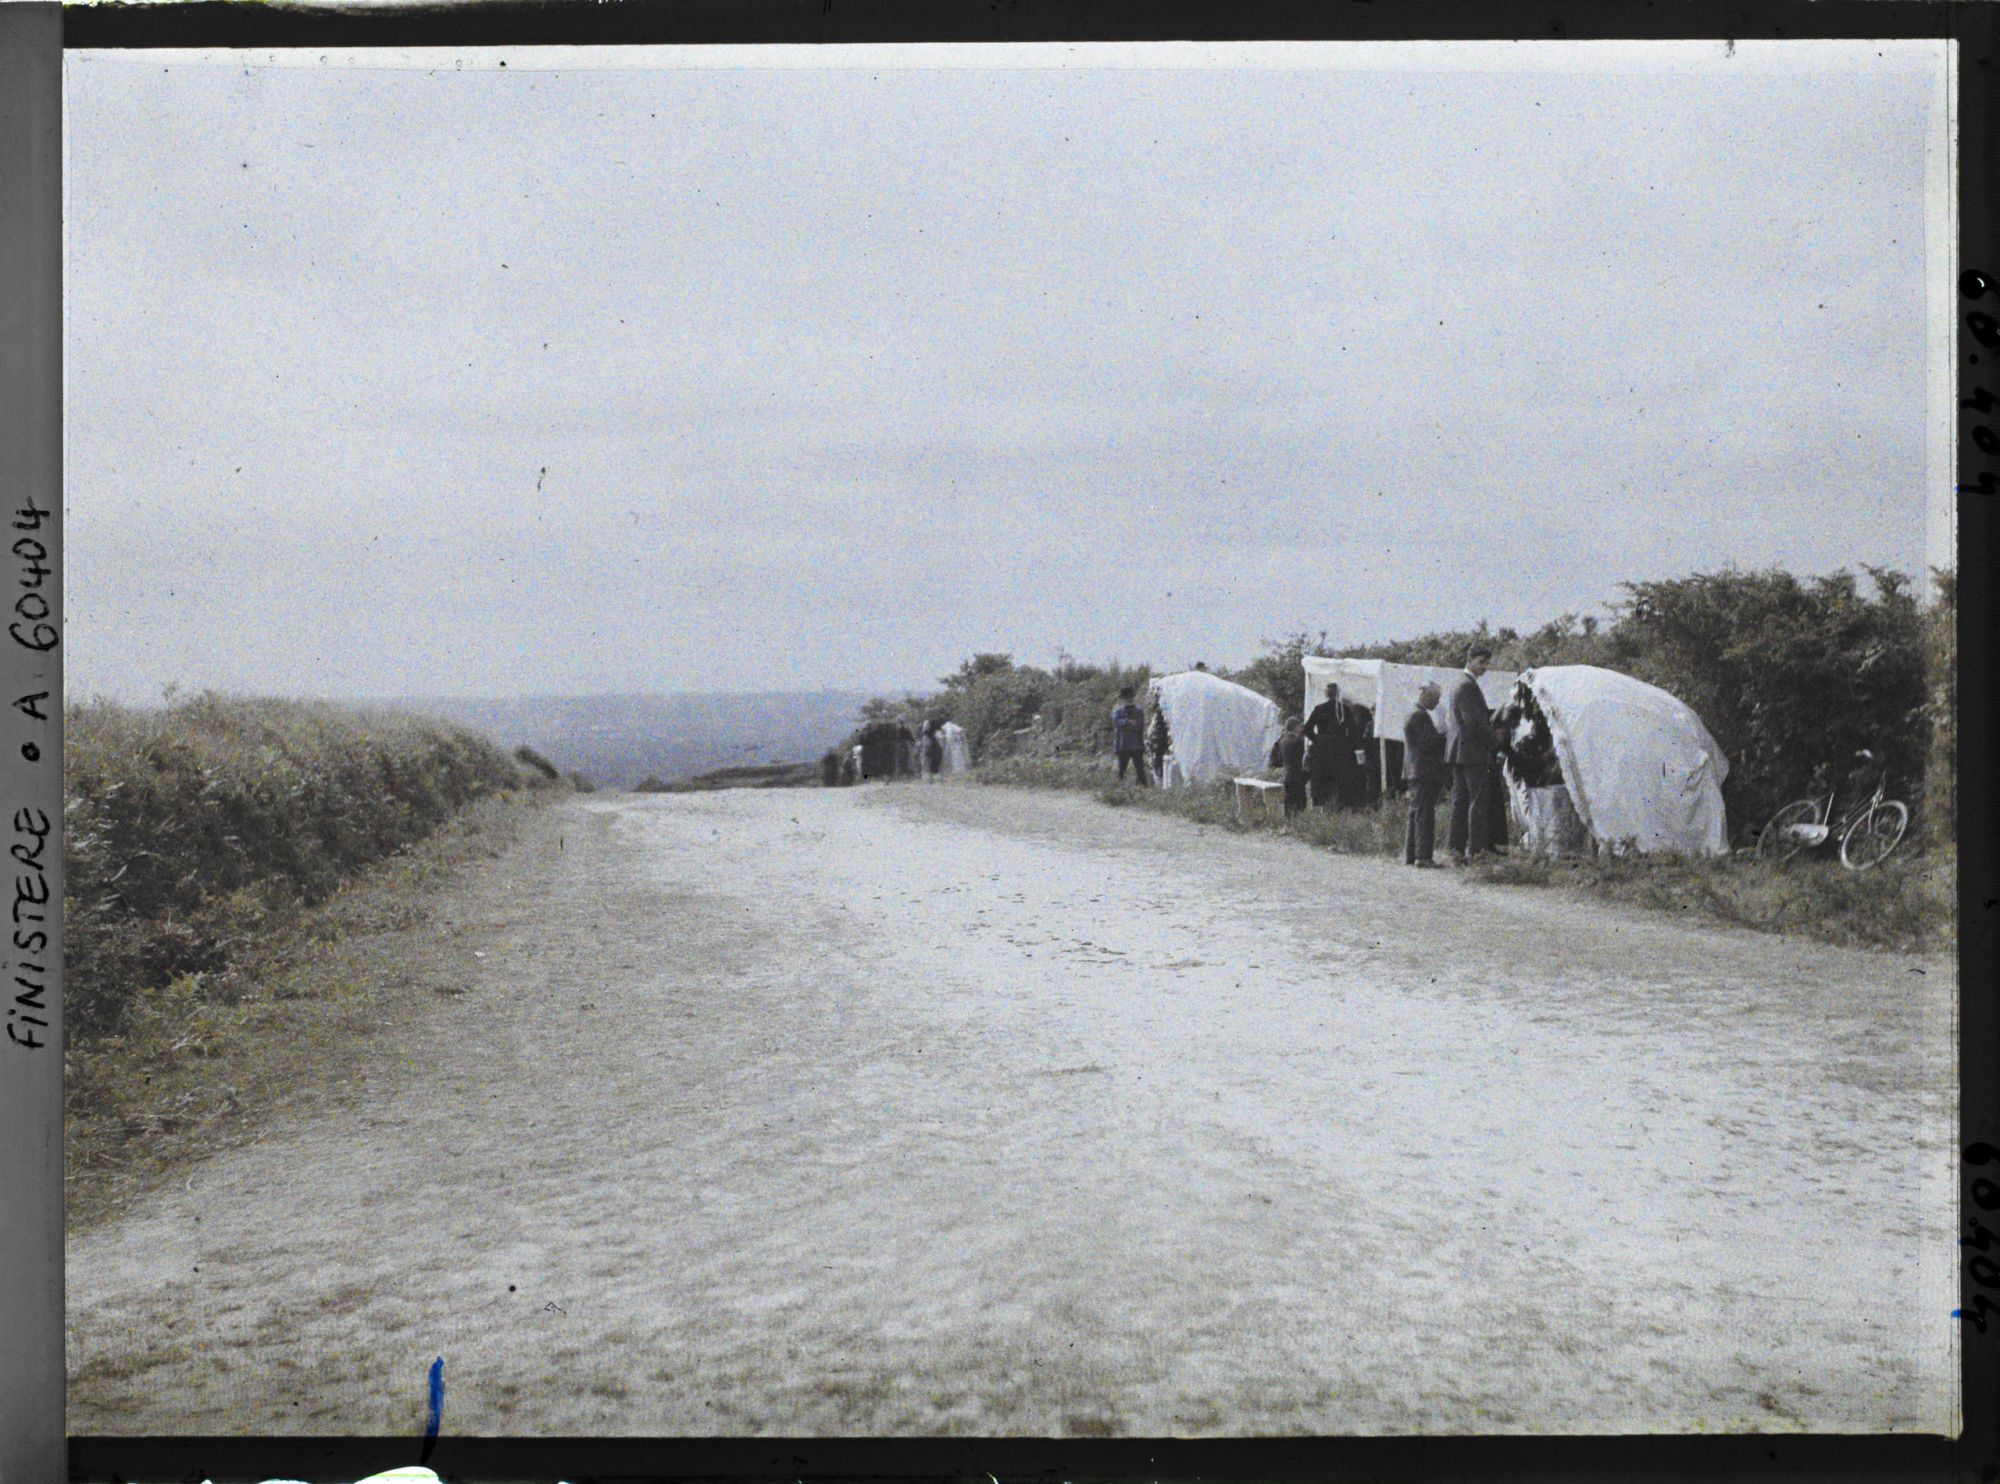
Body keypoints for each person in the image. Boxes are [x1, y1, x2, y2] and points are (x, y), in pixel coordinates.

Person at [1447, 646, 1500, 862]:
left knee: (1460, 801)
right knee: (1476, 802)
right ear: (1469, 659)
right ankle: (1476, 852)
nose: (1485, 667)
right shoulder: (1467, 686)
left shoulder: (1459, 684)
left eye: (1487, 663)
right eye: (1481, 662)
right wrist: (1495, 739)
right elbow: (1474, 723)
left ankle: (1456, 850)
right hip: (1471, 752)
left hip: (1460, 752)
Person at [1402, 681, 1447, 866]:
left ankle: (1412, 854)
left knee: (1416, 813)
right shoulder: (1420, 716)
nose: (1437, 704)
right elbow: (1429, 744)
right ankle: (1424, 856)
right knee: (1424, 815)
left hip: (1415, 770)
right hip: (1424, 771)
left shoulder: (1413, 713)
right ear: (1426, 695)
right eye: (1435, 699)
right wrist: (1444, 733)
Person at [1301, 683, 1347, 809]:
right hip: (1339, 749)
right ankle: (1337, 805)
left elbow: (1306, 729)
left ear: (1326, 694)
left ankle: (1323, 805)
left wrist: (1318, 739)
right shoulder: (1344, 710)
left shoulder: (1319, 709)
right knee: (1338, 779)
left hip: (1322, 749)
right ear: (1338, 694)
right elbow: (1353, 731)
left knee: (1322, 778)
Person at [1110, 686, 1150, 784]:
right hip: (1123, 745)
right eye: (1125, 698)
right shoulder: (1117, 711)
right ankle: (1118, 791)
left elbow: (1139, 726)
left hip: (1136, 745)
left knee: (1140, 772)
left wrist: (1125, 725)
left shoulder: (1139, 711)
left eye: (1129, 697)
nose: (1128, 699)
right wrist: (1129, 722)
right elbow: (1117, 724)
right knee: (1121, 771)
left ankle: (1143, 790)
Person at [1278, 716, 1308, 818]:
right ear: (1295, 727)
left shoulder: (1282, 740)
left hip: (1287, 775)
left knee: (1289, 802)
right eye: (1300, 726)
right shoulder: (1298, 741)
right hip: (1297, 776)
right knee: (1300, 803)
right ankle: (1298, 825)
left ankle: (1288, 825)